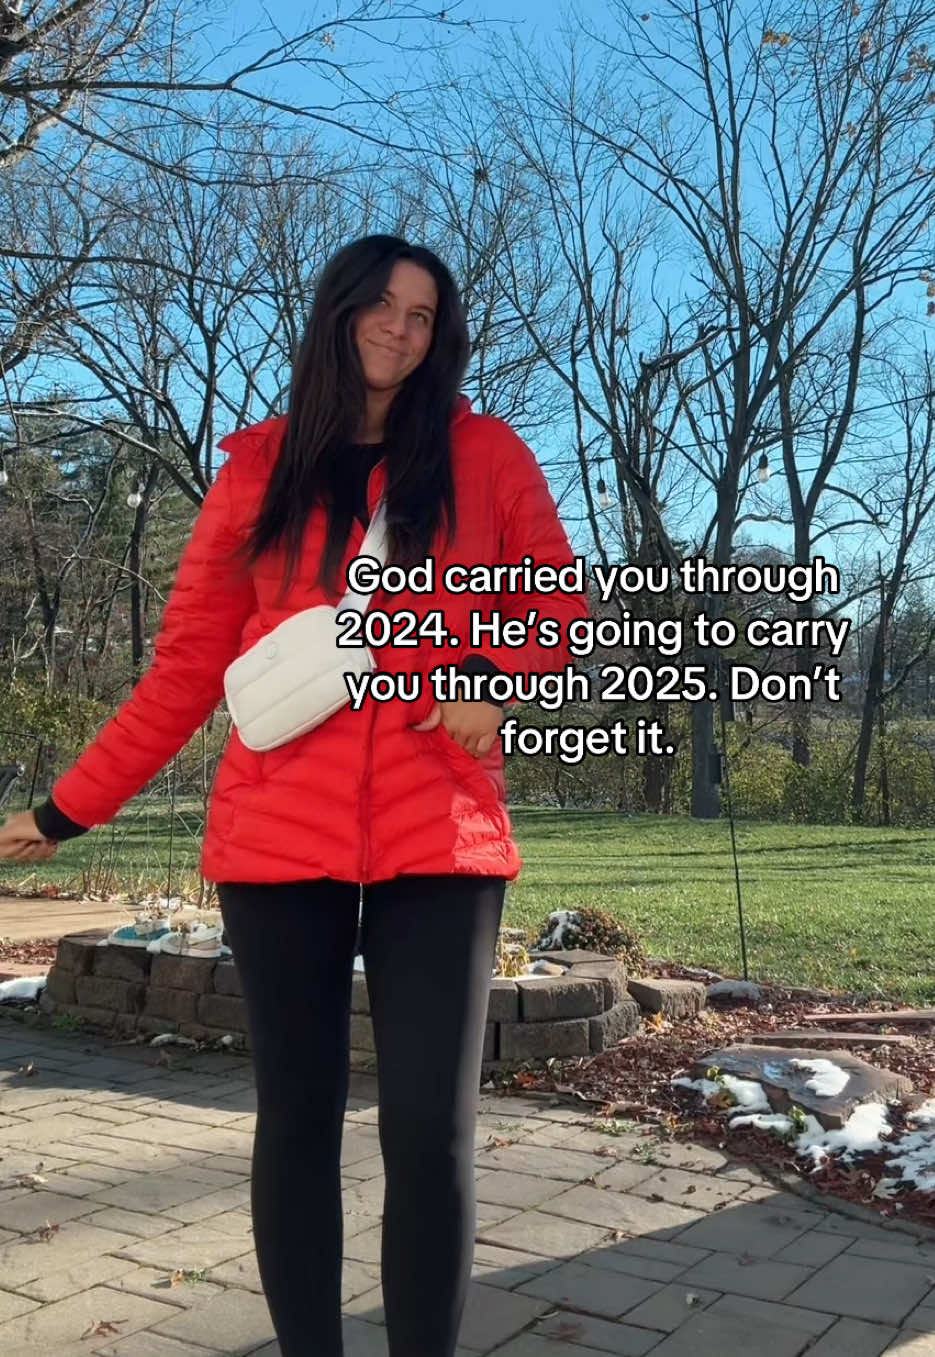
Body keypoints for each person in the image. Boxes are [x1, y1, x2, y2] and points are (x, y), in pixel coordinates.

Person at [0, 235, 591, 1357]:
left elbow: (557, 608)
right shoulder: (257, 470)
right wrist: (68, 809)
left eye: (422, 315)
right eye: (382, 305)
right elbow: (184, 672)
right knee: (298, 1123)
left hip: (442, 834)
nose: (399, 329)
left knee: (430, 1131)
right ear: (338, 312)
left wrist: (491, 674)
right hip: (276, 841)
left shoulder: (486, 456)